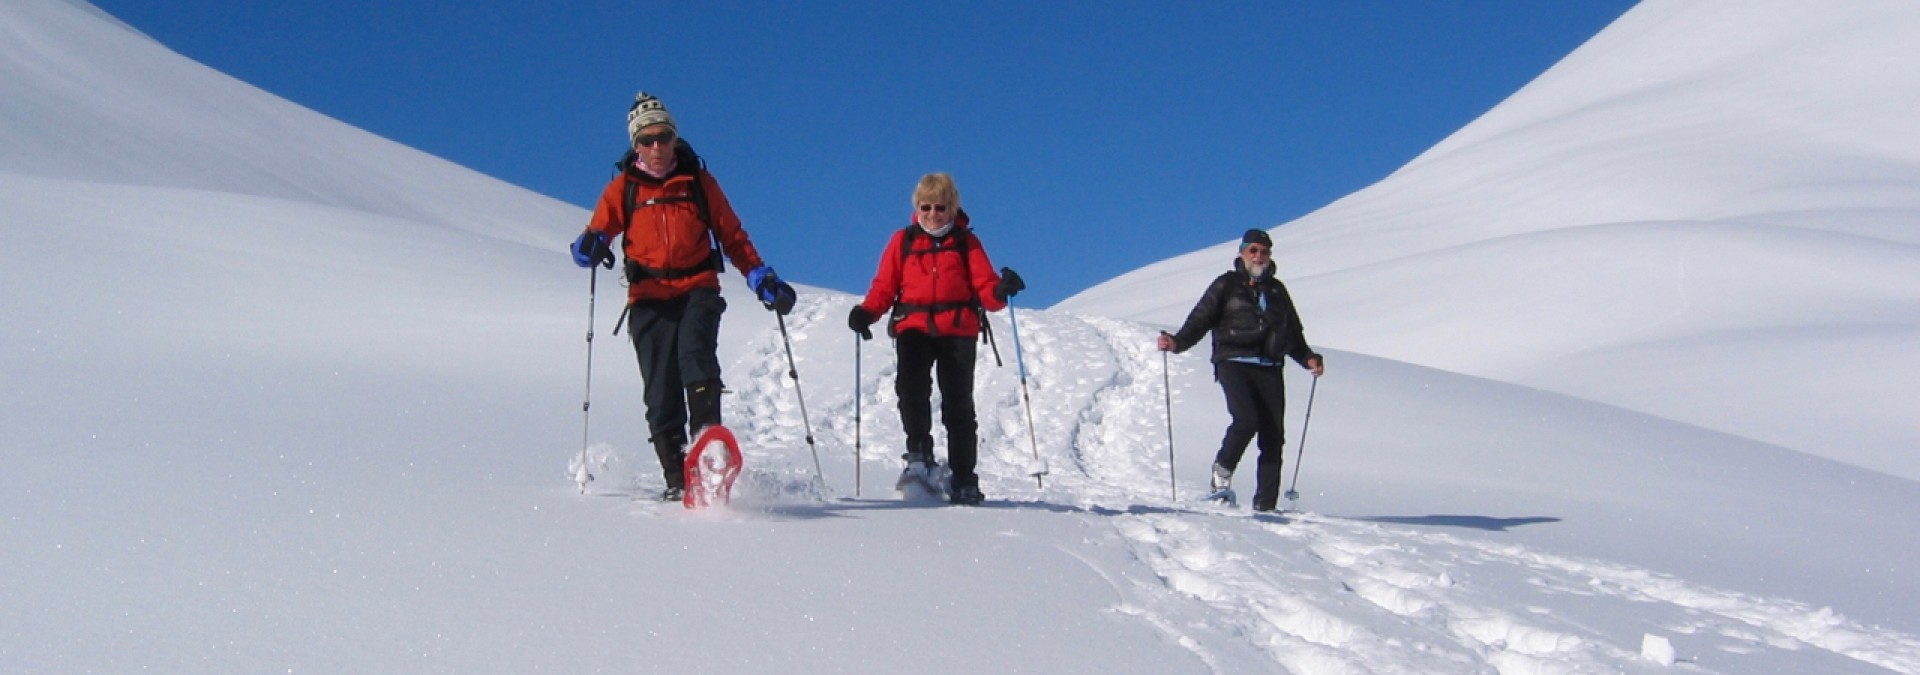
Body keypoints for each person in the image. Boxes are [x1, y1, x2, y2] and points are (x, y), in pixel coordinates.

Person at [570, 91, 796, 502]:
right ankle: (678, 478)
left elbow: (733, 236)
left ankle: (708, 445)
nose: (656, 147)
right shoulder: (623, 189)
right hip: (648, 298)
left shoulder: (699, 183)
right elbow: (593, 236)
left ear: (675, 137)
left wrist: (762, 279)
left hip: (697, 288)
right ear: (635, 144)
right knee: (660, 393)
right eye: (646, 140)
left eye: (664, 136)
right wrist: (588, 246)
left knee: (696, 357)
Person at [847, 173, 1023, 506]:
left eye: (940, 207)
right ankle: (919, 454)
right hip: (913, 327)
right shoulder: (903, 241)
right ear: (917, 208)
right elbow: (884, 286)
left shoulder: (966, 243)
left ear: (952, 208)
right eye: (925, 207)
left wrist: (1001, 290)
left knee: (958, 403)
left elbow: (986, 290)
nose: (932, 214)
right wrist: (866, 313)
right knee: (910, 387)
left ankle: (963, 477)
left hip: (958, 330)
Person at [1157, 228, 1324, 512]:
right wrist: (1177, 342)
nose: (1259, 256)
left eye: (1264, 251)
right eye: (1253, 251)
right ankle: (1222, 472)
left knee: (1273, 435)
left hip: (1270, 365)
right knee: (1246, 420)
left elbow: (1292, 333)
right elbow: (1201, 318)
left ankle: (1266, 505)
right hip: (1233, 360)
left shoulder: (1277, 290)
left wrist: (1307, 357)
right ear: (1242, 253)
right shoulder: (1226, 284)